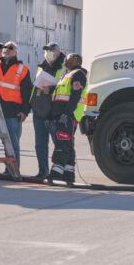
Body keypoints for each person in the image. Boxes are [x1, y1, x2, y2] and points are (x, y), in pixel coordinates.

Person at [0, 41, 31, 177]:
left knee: (12, 145)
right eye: (5, 47)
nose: (7, 50)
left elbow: (27, 93)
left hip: (12, 113)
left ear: (16, 52)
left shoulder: (22, 69)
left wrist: (25, 111)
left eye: (11, 48)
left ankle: (12, 171)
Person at [47, 52, 88, 184]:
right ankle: (68, 174)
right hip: (61, 115)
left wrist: (66, 113)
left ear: (76, 60)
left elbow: (75, 96)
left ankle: (56, 173)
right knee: (68, 145)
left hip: (68, 116)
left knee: (62, 144)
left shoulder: (78, 75)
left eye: (68, 58)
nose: (65, 60)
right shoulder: (67, 75)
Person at [30, 42, 65, 179]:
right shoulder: (42, 67)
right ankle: (42, 171)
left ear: (57, 52)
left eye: (51, 51)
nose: (48, 53)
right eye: (46, 51)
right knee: (40, 145)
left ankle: (59, 172)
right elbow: (34, 88)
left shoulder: (63, 67)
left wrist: (51, 89)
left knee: (59, 144)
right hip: (39, 110)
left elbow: (64, 87)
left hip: (54, 113)